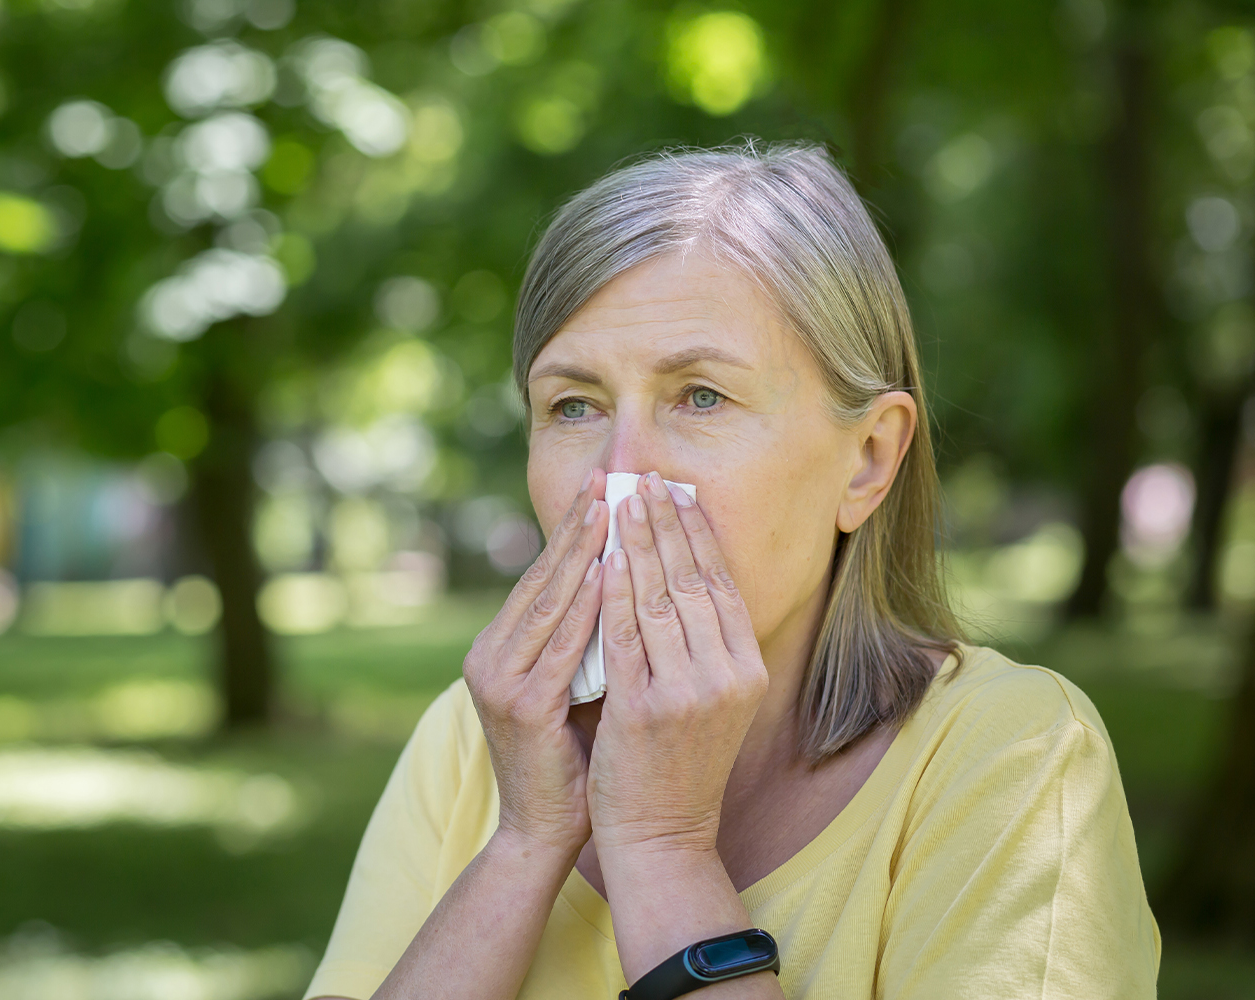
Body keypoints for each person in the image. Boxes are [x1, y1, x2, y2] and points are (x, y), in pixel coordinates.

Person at [303, 143, 1160, 1000]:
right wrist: (526, 840)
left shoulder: (1013, 754)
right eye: (574, 405)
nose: (619, 472)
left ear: (866, 460)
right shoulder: (475, 739)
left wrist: (660, 846)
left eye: (701, 396)